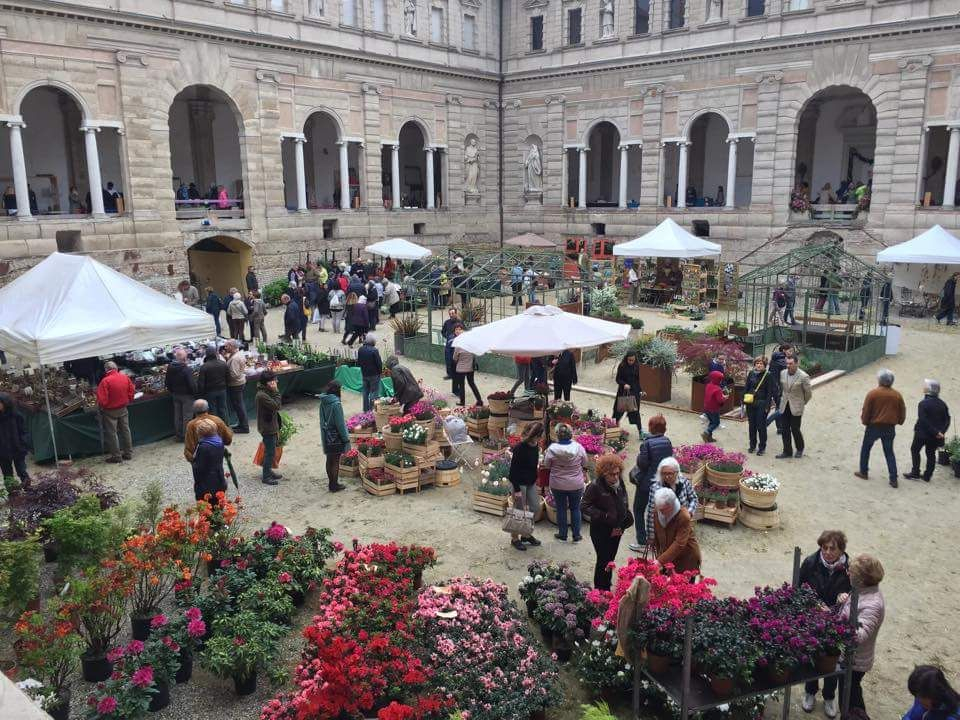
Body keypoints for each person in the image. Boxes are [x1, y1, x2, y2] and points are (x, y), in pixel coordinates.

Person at [800, 530, 851, 717]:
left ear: (841, 550)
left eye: (832, 549)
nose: (828, 552)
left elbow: (854, 591)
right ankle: (810, 691)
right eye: (824, 547)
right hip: (813, 616)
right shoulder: (810, 563)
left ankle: (829, 696)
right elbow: (799, 588)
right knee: (812, 655)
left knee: (833, 658)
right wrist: (815, 603)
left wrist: (844, 596)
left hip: (836, 619)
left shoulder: (849, 568)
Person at [836, 554, 886, 719]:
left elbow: (858, 636)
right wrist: (843, 601)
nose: (848, 574)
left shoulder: (873, 605)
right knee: (849, 692)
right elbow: (852, 611)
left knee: (850, 697)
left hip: (855, 661)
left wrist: (835, 624)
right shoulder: (862, 590)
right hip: (848, 656)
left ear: (862, 579)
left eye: (851, 573)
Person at [582, 454, 633, 590]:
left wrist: (622, 524)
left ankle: (606, 583)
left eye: (617, 473)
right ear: (603, 473)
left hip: (617, 529)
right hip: (601, 531)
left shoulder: (619, 481)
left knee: (610, 559)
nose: (615, 477)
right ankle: (600, 589)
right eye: (611, 474)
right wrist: (604, 516)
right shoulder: (595, 486)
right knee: (603, 560)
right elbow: (584, 506)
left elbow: (624, 499)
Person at [855, 369, 906, 488]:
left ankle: (864, 471)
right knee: (889, 452)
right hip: (890, 427)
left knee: (866, 448)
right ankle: (893, 478)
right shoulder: (897, 395)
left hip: (874, 426)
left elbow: (866, 410)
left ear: (880, 380)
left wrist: (865, 421)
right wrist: (899, 421)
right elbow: (902, 411)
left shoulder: (873, 393)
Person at [628, 415, 672, 552]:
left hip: (647, 484)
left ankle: (642, 541)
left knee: (639, 509)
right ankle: (659, 540)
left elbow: (642, 463)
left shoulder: (647, 444)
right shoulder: (667, 442)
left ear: (651, 428)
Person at [542, 423, 587, 543]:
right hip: (576, 483)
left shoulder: (552, 449)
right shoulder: (578, 447)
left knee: (561, 508)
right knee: (575, 508)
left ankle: (562, 534)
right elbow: (585, 463)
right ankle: (576, 535)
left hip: (558, 483)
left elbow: (546, 465)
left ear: (557, 435)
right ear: (570, 434)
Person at [645, 457, 698, 547]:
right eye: (664, 474)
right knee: (666, 552)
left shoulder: (684, 482)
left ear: (677, 473)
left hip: (681, 524)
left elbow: (694, 498)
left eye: (670, 473)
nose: (667, 476)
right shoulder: (655, 488)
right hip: (664, 527)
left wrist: (689, 513)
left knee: (681, 550)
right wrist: (651, 536)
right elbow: (651, 512)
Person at [508, 421, 544, 551]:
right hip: (519, 482)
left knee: (534, 507)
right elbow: (513, 471)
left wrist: (535, 478)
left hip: (530, 482)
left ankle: (525, 534)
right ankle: (515, 538)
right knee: (518, 512)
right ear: (536, 435)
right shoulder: (520, 448)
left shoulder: (535, 445)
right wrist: (516, 489)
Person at [905, 379, 950, 482]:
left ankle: (915, 472)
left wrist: (936, 432)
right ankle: (927, 476)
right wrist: (941, 432)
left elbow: (923, 420)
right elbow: (947, 419)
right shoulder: (942, 404)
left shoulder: (923, 403)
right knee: (931, 454)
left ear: (929, 390)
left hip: (922, 434)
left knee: (915, 450)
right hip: (936, 436)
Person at [650, 487, 701, 573]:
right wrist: (653, 542)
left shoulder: (683, 516)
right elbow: (656, 531)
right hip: (667, 556)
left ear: (672, 505)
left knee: (683, 584)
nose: (660, 512)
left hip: (685, 558)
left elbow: (679, 543)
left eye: (663, 509)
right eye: (659, 509)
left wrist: (660, 561)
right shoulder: (658, 510)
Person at [96, 361, 135, 463]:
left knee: (112, 434)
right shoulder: (124, 377)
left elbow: (102, 399)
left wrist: (103, 407)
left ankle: (116, 456)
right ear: (116, 368)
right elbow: (131, 391)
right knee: (126, 430)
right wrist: (129, 400)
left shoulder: (105, 381)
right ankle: (128, 453)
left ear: (106, 370)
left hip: (110, 411)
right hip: (123, 408)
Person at [777, 355, 812, 459]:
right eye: (787, 363)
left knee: (795, 429)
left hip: (796, 406)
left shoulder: (803, 376)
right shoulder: (782, 373)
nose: (788, 365)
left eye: (790, 363)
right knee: (784, 429)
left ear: (797, 363)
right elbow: (782, 388)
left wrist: (802, 403)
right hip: (785, 405)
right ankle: (787, 451)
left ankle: (800, 448)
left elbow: (808, 393)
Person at [318, 381, 349, 493]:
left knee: (329, 459)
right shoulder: (336, 404)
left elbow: (322, 420)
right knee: (335, 460)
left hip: (326, 434)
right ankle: (334, 484)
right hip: (335, 436)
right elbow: (340, 424)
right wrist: (346, 438)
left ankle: (331, 483)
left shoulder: (323, 402)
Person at [256, 369, 283, 486]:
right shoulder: (262, 395)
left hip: (270, 425)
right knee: (270, 452)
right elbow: (277, 405)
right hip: (267, 427)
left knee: (270, 450)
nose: (276, 382)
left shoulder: (266, 391)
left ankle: (268, 471)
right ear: (268, 382)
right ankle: (266, 476)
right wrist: (276, 391)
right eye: (274, 380)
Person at [190, 418, 227, 502]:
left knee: (206, 508)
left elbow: (199, 467)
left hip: (206, 484)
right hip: (219, 478)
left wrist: (193, 462)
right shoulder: (219, 442)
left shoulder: (203, 447)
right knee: (218, 504)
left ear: (200, 434)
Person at [165, 348, 197, 442]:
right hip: (187, 396)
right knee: (187, 416)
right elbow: (192, 385)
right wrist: (194, 393)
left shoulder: (170, 367)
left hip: (176, 394)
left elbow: (167, 382)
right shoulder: (187, 369)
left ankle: (179, 435)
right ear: (185, 358)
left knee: (178, 416)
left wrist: (173, 391)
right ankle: (186, 436)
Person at [744, 357, 774, 455]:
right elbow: (747, 387)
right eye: (757, 363)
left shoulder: (768, 375)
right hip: (751, 403)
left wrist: (767, 406)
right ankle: (752, 445)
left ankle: (762, 447)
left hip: (762, 403)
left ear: (765, 365)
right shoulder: (751, 373)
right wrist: (743, 400)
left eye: (761, 363)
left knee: (761, 426)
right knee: (751, 426)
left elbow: (770, 392)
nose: (759, 365)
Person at [0, 393, 31, 487]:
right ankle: (13, 496)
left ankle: (28, 491)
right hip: (2, 452)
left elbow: (23, 431)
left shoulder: (16, 415)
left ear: (5, 403)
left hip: (18, 449)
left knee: (22, 471)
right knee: (7, 476)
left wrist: (23, 444)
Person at [613, 352, 644, 438]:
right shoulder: (622, 366)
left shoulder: (636, 366)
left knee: (636, 412)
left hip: (634, 392)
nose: (631, 362)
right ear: (626, 359)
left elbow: (637, 380)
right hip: (623, 392)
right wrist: (624, 384)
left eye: (633, 360)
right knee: (618, 411)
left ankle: (640, 431)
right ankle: (615, 428)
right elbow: (618, 379)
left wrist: (641, 390)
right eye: (629, 360)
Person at [221, 340, 249, 433]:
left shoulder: (235, 358)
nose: (225, 348)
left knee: (239, 405)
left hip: (236, 384)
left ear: (232, 346)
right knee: (239, 405)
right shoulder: (236, 355)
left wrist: (225, 376)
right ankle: (242, 424)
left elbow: (234, 374)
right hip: (239, 383)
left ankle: (244, 427)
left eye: (227, 346)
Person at [197, 345, 229, 421]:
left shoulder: (204, 366)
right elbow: (228, 377)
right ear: (215, 353)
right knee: (223, 409)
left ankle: (215, 428)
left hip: (210, 392)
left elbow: (201, 383)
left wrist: (201, 394)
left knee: (212, 411)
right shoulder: (223, 363)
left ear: (206, 355)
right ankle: (225, 427)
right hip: (222, 390)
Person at [452, 326, 483, 406]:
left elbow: (454, 358)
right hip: (470, 368)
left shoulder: (458, 346)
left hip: (460, 369)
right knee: (472, 384)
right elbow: (473, 355)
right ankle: (479, 400)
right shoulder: (470, 345)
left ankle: (462, 402)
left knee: (462, 385)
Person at [357, 336, 383, 413]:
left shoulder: (360, 349)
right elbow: (379, 363)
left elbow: (359, 362)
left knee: (365, 392)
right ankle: (372, 409)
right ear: (372, 343)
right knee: (374, 392)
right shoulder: (374, 350)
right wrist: (380, 372)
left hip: (364, 374)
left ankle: (365, 409)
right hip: (374, 374)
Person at [701, 369, 726, 443]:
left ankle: (709, 438)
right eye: (720, 379)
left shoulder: (708, 385)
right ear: (717, 379)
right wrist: (724, 398)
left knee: (711, 422)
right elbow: (720, 400)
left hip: (706, 408)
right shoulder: (718, 389)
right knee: (716, 423)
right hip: (714, 409)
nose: (721, 381)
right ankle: (706, 432)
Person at [441, 308, 462, 380]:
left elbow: (464, 331)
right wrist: (447, 337)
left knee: (457, 359)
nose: (451, 315)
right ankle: (449, 374)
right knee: (448, 359)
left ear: (456, 313)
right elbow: (443, 331)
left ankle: (457, 374)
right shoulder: (447, 322)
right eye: (450, 314)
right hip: (449, 344)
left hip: (458, 344)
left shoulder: (460, 322)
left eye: (453, 313)